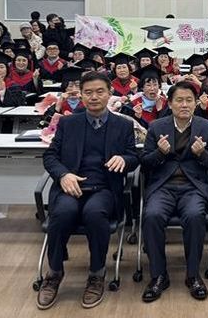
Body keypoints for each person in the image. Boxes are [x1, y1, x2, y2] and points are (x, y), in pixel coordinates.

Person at [37, 72, 138, 310]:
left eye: (100, 92)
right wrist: (63, 175)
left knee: (95, 214)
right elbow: (50, 156)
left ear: (110, 94)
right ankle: (54, 273)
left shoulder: (123, 125)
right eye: (88, 92)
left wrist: (124, 159)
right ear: (81, 95)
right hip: (71, 186)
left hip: (104, 188)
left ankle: (96, 274)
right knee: (62, 213)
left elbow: (134, 156)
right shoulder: (68, 123)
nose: (94, 97)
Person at [140, 81, 208, 302]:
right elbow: (145, 162)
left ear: (195, 103)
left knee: (195, 216)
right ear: (170, 103)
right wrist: (160, 152)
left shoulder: (206, 127)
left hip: (193, 187)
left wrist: (202, 154)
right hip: (163, 187)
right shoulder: (156, 127)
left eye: (189, 100)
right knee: (152, 215)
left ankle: (193, 275)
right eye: (179, 100)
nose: (184, 105)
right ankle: (158, 276)